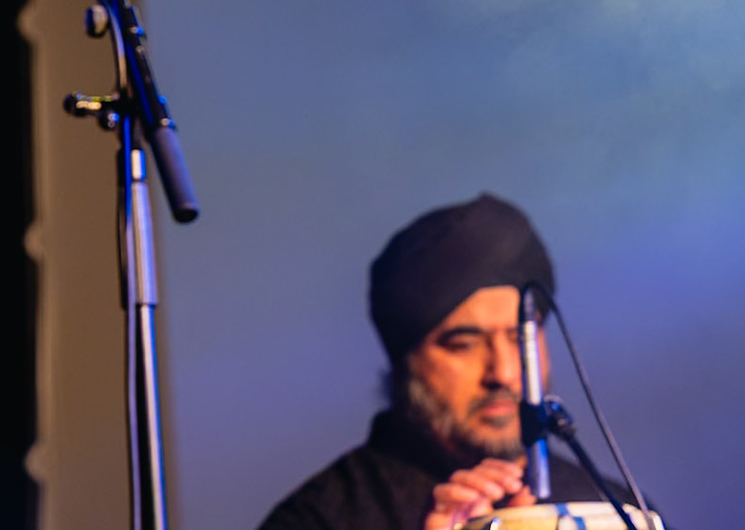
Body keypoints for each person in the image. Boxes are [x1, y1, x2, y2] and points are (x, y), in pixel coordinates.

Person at [256, 193, 637, 530]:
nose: (504, 373)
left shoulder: (613, 510)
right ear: (406, 361)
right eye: (464, 345)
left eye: (519, 338)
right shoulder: (318, 518)